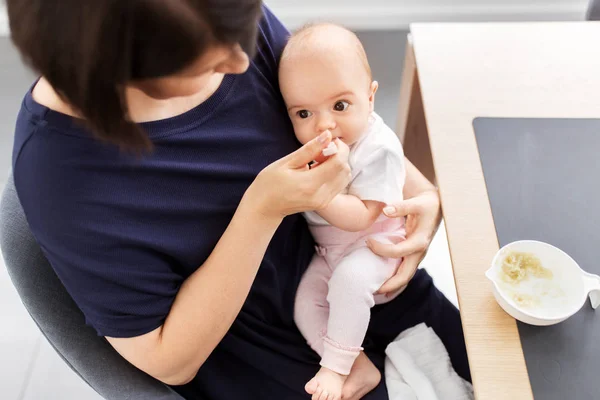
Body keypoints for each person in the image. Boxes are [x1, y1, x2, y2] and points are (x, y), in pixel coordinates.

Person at [7, 1, 470, 399]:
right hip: (263, 356)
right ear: (119, 61)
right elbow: (168, 361)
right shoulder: (62, 173)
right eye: (206, 63)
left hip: (362, 276)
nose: (241, 62)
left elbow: (342, 122)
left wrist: (422, 195)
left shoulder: (218, 17)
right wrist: (260, 211)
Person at [280, 24, 408, 400]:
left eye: (340, 106)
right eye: (304, 113)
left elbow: (362, 216)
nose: (324, 125)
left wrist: (316, 194)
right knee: (305, 303)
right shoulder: (316, 146)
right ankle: (355, 364)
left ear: (370, 98)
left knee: (350, 281)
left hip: (376, 245)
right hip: (329, 251)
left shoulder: (378, 147)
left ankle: (334, 369)